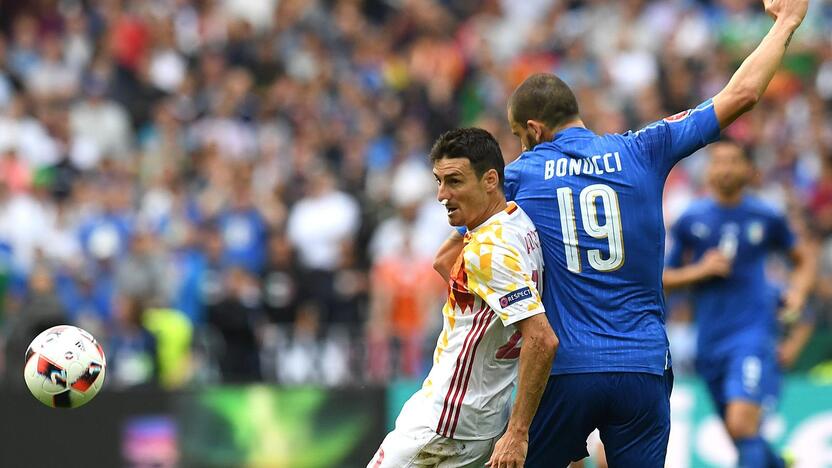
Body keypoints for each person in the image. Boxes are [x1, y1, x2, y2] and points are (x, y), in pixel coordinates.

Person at [431, 0, 809, 465]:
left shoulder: (520, 173)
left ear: (531, 129)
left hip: (567, 370)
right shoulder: (645, 148)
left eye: (516, 134)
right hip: (643, 366)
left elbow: (454, 254)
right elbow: (742, 95)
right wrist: (787, 22)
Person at [369, 128, 558, 468]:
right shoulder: (517, 221)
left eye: (454, 181)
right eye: (438, 181)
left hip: (445, 423)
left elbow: (542, 339)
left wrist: (518, 433)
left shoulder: (486, 251)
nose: (442, 194)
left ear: (490, 180)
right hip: (476, 417)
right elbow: (442, 262)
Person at [663, 140, 816, 468]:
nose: (726, 168)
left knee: (742, 424)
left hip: (752, 335)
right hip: (709, 341)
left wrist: (798, 293)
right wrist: (700, 271)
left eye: (734, 161)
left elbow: (804, 260)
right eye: (719, 161)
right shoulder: (691, 219)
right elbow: (664, 278)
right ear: (708, 170)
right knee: (741, 435)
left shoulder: (766, 215)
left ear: (749, 170)